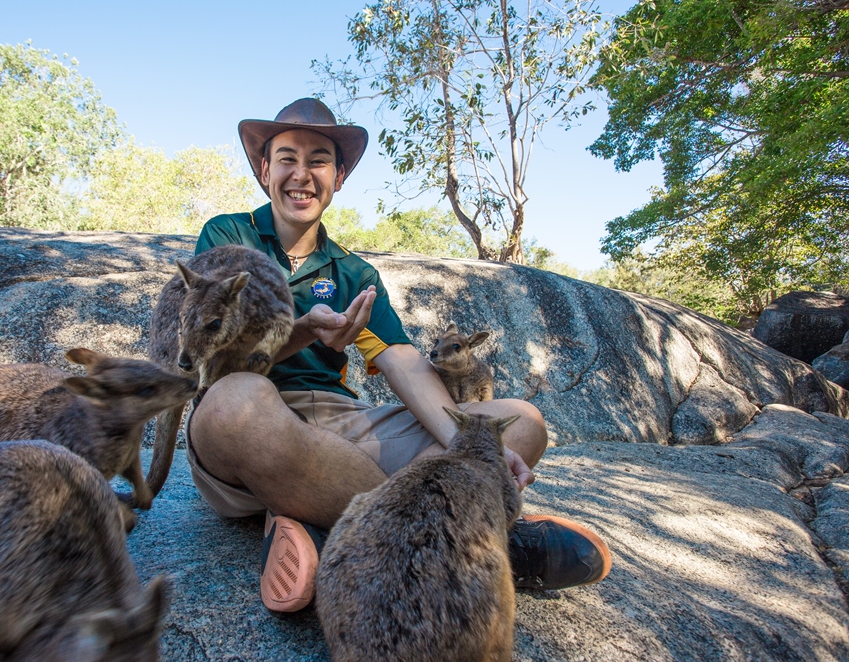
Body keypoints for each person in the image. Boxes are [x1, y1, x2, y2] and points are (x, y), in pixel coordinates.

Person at [186, 98, 611, 613]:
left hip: (343, 427)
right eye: (287, 158)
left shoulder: (356, 274)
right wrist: (300, 334)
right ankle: (462, 542)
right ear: (263, 169)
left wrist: (469, 445)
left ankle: (317, 526)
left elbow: (403, 361)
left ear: (338, 176)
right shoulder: (228, 236)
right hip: (252, 423)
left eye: (318, 160)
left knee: (518, 422)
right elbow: (216, 360)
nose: (302, 175)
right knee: (237, 405)